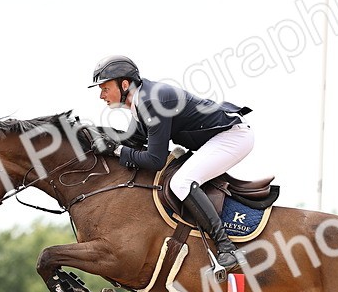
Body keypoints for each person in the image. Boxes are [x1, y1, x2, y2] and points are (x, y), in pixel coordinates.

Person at [90, 54, 252, 277]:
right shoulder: (141, 101)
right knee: (180, 179)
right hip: (218, 138)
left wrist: (117, 151)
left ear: (124, 84)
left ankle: (228, 249)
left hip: (232, 137)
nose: (101, 95)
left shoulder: (150, 101)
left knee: (181, 182)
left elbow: (155, 160)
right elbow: (133, 140)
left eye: (105, 88)